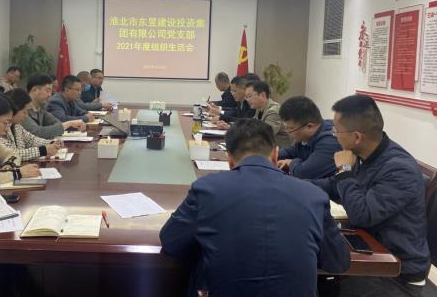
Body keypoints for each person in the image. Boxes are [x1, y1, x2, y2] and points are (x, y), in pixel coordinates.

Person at [159, 119, 350, 297]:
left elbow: (171, 242)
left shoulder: (206, 189)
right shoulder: (313, 195)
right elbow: (338, 262)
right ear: (275, 154)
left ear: (229, 159)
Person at [311, 95, 430, 297]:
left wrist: (344, 170)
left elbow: (362, 215)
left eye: (336, 131)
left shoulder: (399, 169)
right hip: (369, 253)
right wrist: (292, 186)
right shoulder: (365, 155)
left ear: (357, 137)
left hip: (395, 274)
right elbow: (334, 185)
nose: (334, 136)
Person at [277, 96, 340, 179]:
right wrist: (272, 154)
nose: (287, 132)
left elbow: (304, 173)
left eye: (290, 128)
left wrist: (291, 163)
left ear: (309, 127)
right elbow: (291, 151)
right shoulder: (306, 136)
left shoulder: (330, 141)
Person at [0, 88, 63, 161]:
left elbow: (31, 139)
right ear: (14, 110)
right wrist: (43, 150)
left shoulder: (16, 125)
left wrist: (52, 143)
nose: (26, 115)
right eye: (24, 112)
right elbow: (12, 154)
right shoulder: (0, 128)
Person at [21, 73, 80, 139]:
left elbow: (57, 123)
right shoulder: (21, 108)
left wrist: (66, 125)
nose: (50, 95)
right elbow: (37, 132)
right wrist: (68, 124)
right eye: (47, 91)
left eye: (51, 92)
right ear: (35, 90)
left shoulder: (41, 107)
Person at [244, 80, 290, 147]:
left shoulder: (273, 111)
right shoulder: (259, 108)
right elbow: (252, 125)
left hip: (280, 149)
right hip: (266, 147)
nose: (247, 100)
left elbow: (265, 135)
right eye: (246, 97)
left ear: (262, 95)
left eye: (249, 96)